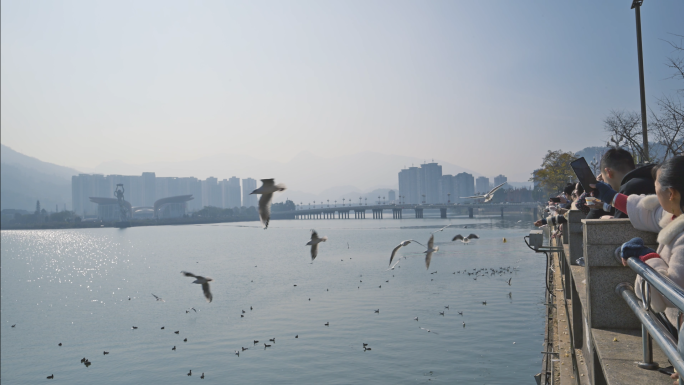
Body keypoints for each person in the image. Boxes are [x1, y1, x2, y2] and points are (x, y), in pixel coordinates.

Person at [591, 155, 683, 327]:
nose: (654, 192)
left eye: (656, 186)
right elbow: (650, 210)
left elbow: (671, 293)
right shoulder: (676, 212)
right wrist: (611, 196)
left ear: (671, 193)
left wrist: (647, 257)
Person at [586, 148, 655, 219]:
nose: (605, 182)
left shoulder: (629, 188)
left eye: (603, 179)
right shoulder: (651, 179)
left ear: (608, 172)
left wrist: (608, 219)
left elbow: (621, 227)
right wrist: (605, 206)